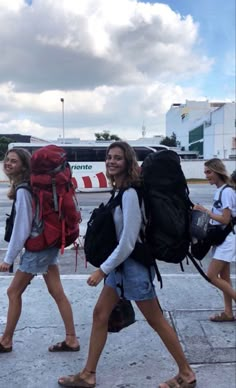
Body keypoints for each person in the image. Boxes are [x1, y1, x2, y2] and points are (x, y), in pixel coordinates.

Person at [58, 141, 196, 388]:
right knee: (100, 315)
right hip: (120, 269)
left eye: (118, 158)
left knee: (156, 320)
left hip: (133, 269)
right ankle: (88, 374)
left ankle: (186, 373)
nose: (112, 161)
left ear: (128, 162)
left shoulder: (131, 194)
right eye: (109, 157)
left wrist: (102, 270)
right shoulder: (120, 192)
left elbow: (129, 242)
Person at [0, 148, 80, 353]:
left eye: (14, 161)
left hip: (39, 247)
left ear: (24, 166)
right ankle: (71, 339)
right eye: (7, 160)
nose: (8, 164)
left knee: (13, 291)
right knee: (57, 291)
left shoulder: (24, 190)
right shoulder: (30, 187)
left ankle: (6, 341)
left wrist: (8, 258)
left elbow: (22, 227)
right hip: (49, 242)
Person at [194, 158, 236, 322]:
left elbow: (225, 219)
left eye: (209, 172)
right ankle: (228, 312)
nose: (206, 176)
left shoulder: (226, 192)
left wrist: (204, 211)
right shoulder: (221, 190)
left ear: (217, 171)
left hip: (227, 237)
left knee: (211, 275)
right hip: (221, 238)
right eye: (205, 172)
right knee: (224, 278)